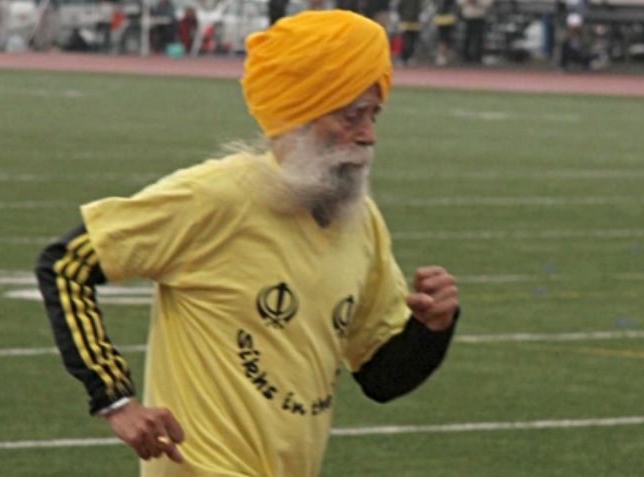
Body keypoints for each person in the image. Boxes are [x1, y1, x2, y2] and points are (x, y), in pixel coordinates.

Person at [36, 10, 460, 477]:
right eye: (351, 115)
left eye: (373, 116)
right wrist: (115, 399)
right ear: (300, 114)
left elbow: (381, 377)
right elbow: (66, 265)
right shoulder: (216, 197)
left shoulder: (361, 222)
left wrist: (432, 329)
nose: (368, 135)